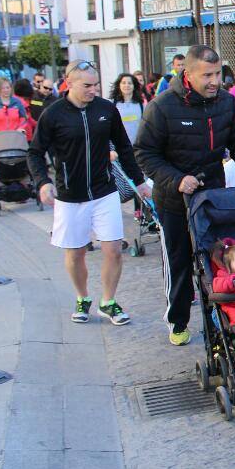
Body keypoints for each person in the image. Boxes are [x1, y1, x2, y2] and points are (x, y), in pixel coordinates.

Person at [134, 45, 235, 346]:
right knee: (179, 263)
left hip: (212, 198)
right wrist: (177, 180)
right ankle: (178, 320)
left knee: (219, 257)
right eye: (207, 75)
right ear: (188, 74)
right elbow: (144, 152)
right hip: (174, 199)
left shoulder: (227, 103)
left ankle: (224, 316)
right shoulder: (162, 106)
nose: (214, 81)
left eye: (217, 73)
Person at [27, 60, 150, 325]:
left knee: (114, 249)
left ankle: (108, 301)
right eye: (87, 85)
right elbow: (35, 152)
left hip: (105, 191)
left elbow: (124, 147)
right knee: (76, 252)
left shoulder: (106, 109)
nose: (93, 90)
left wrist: (139, 181)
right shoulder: (54, 113)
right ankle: (82, 297)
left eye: (96, 84)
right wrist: (42, 183)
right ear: (69, 83)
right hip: (70, 196)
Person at [109, 73, 144, 144]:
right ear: (119, 85)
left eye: (130, 83)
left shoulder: (141, 105)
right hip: (119, 147)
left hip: (137, 146)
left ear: (134, 86)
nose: (127, 85)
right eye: (123, 83)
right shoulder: (112, 105)